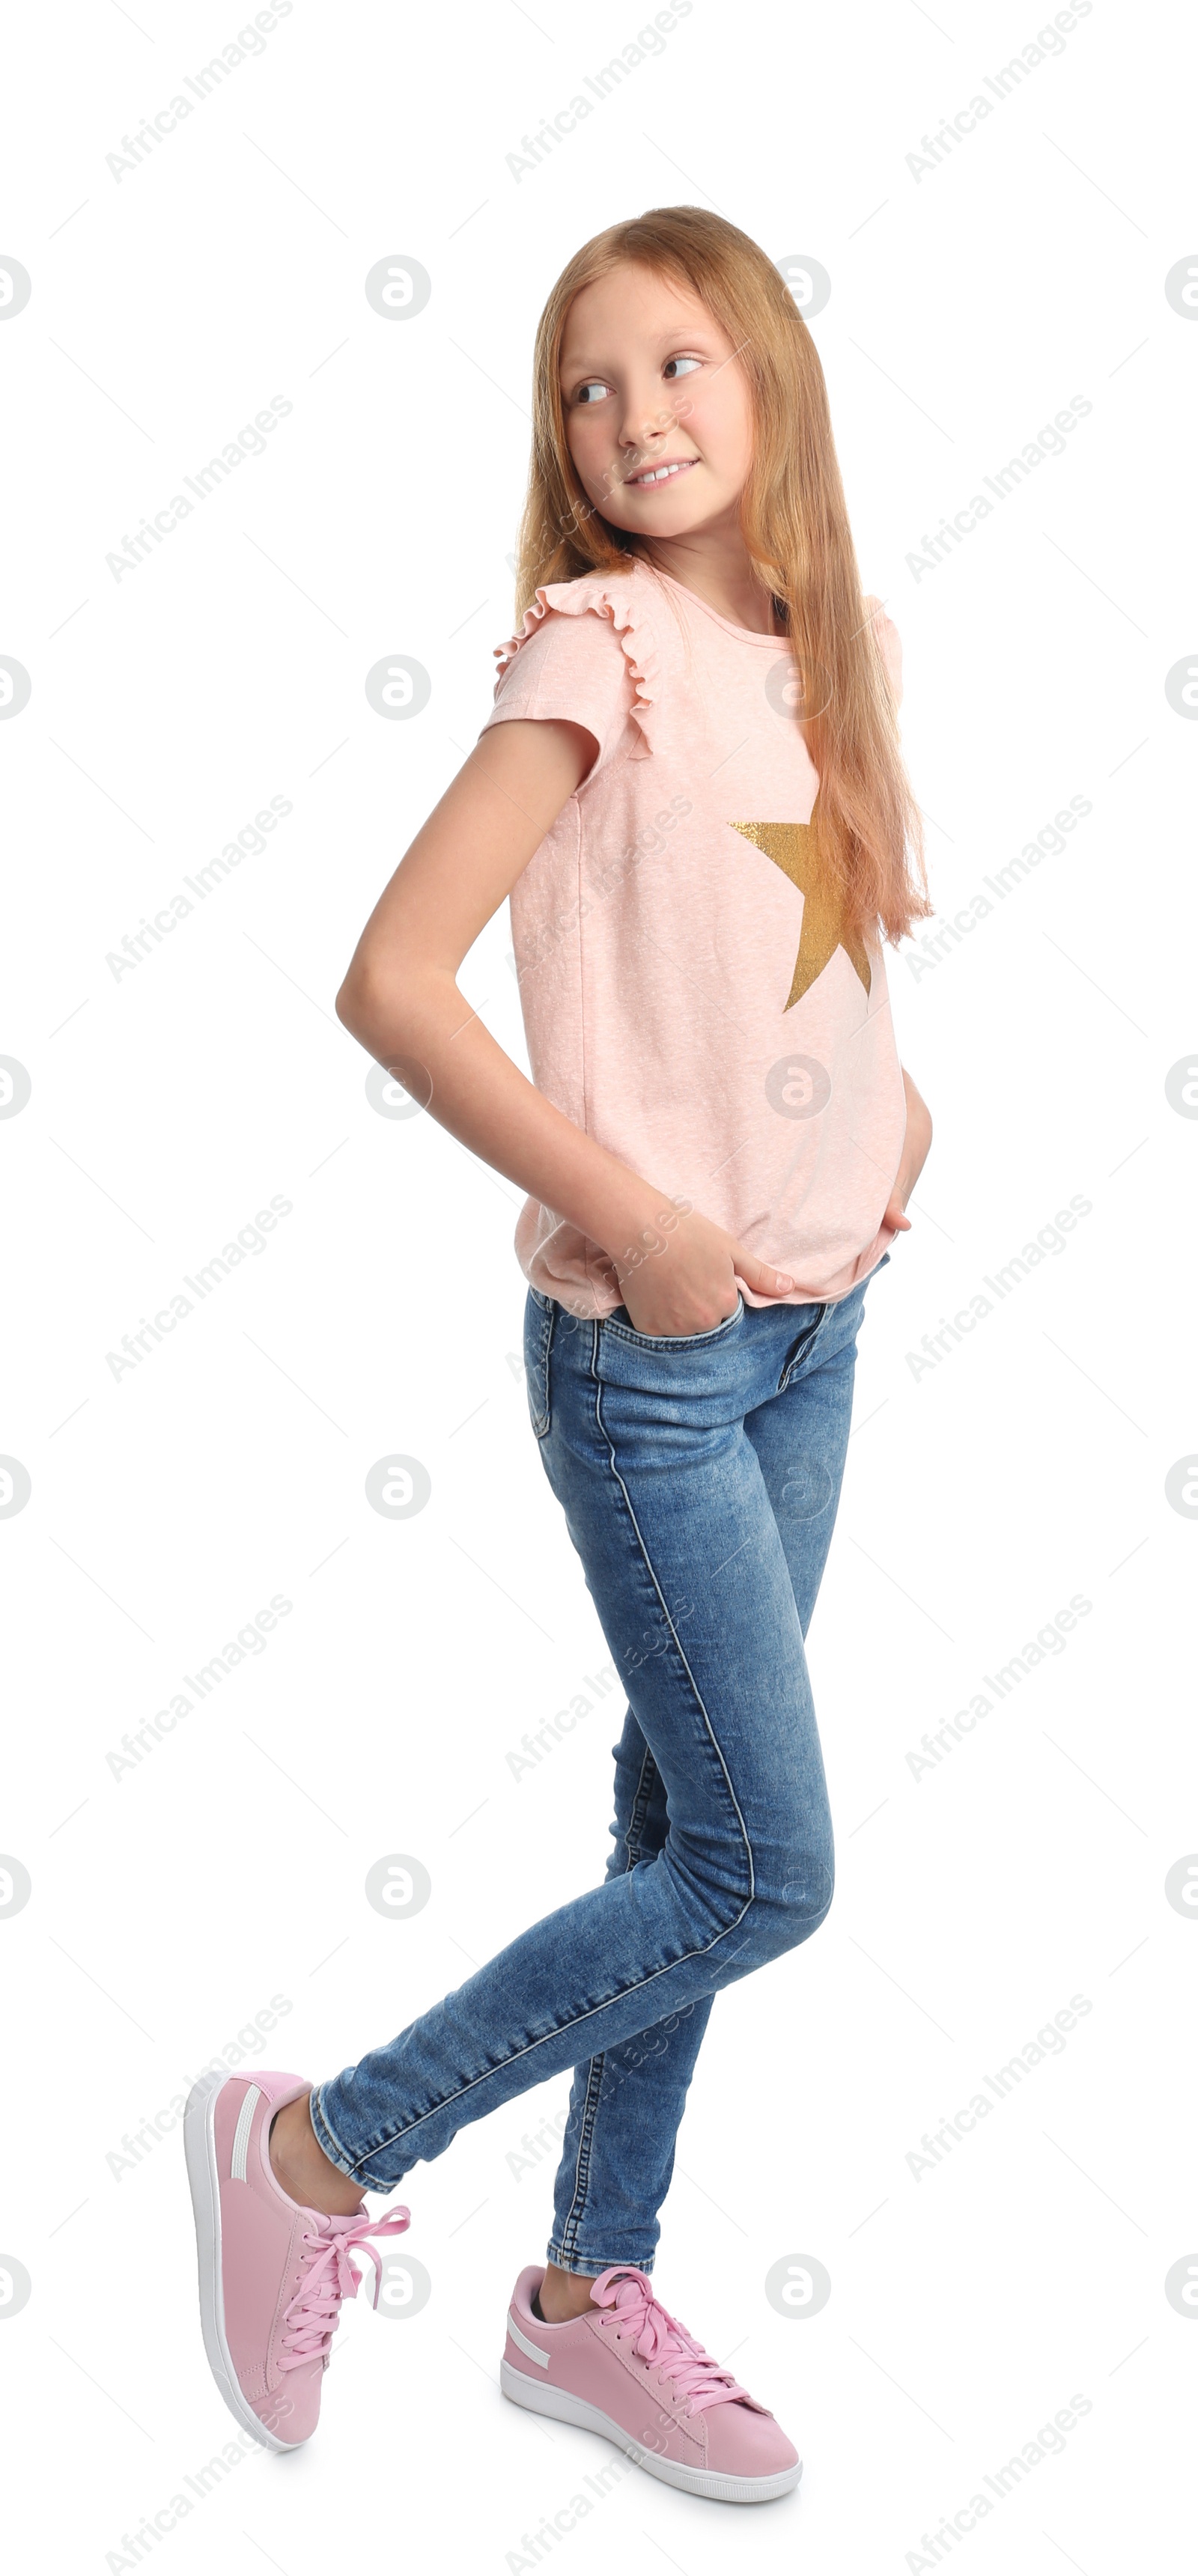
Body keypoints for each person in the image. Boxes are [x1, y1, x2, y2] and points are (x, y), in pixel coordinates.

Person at [185, 204, 933, 2507]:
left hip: (820, 1331)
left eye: (680, 365)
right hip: (661, 1361)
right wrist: (638, 1218)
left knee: (675, 1819)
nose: (633, 418)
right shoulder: (593, 648)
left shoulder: (827, 647)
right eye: (588, 391)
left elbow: (790, 968)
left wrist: (896, 1117)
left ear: (772, 380)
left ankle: (585, 2293)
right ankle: (317, 2148)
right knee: (761, 1866)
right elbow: (394, 975)